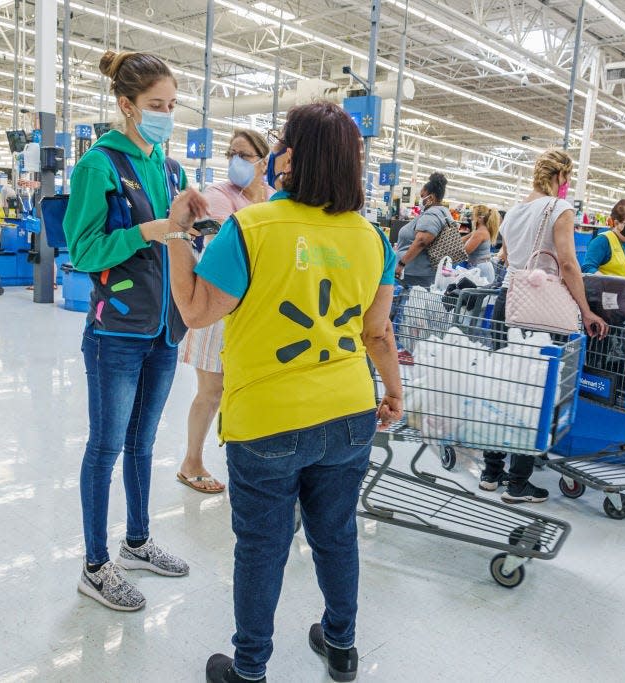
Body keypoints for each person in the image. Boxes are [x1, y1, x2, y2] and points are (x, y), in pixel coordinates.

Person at [165, 102, 403, 683]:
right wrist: (393, 392)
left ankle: (250, 669)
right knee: (335, 531)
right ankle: (342, 646)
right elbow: (378, 332)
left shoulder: (249, 229)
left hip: (266, 417)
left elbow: (196, 312)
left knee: (262, 546)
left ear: (290, 156)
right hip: (349, 410)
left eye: (278, 144)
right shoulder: (374, 239)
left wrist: (176, 233)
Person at [62, 49, 191, 612]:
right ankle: (95, 564)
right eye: (155, 105)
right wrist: (147, 230)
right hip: (115, 331)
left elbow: (180, 244)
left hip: (164, 328)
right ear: (126, 105)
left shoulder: (168, 166)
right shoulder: (98, 165)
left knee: (143, 443)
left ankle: (137, 541)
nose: (165, 114)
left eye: (171, 104)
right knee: (107, 446)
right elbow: (82, 249)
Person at [480, 148, 608, 503]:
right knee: (532, 392)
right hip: (538, 309)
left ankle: (491, 472)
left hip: (508, 302)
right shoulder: (559, 209)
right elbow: (567, 264)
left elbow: (505, 258)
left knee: (502, 386)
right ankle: (518, 482)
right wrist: (586, 311)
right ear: (562, 178)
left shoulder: (515, 210)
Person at [176, 129, 273, 495]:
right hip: (218, 306)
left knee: (248, 389)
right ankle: (192, 462)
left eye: (244, 155)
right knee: (211, 391)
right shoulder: (219, 195)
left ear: (263, 162)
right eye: (231, 152)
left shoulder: (274, 200)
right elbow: (227, 248)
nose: (235, 160)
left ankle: (246, 463)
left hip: (255, 313)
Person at [394, 172, 451, 287]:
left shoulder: (432, 214)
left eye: (422, 196)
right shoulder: (441, 213)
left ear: (432, 197)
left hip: (414, 275)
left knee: (406, 303)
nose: (421, 200)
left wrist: (401, 264)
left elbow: (422, 241)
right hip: (418, 273)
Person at [463, 204, 500, 282]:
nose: (471, 218)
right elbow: (462, 240)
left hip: (480, 269)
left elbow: (465, 251)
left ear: (479, 218)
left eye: (473, 215)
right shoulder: (480, 231)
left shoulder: (480, 232)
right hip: (480, 266)